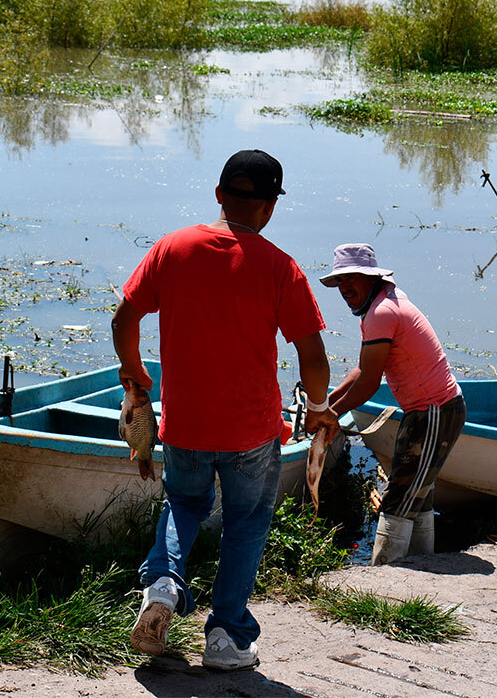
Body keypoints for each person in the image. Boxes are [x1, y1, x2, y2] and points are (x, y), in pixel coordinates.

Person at [112, 149, 339, 671]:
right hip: (252, 432)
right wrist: (321, 407)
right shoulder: (282, 268)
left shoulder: (172, 248)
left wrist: (136, 378)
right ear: (270, 208)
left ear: (219, 194)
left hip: (186, 425)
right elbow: (313, 356)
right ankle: (226, 639)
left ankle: (164, 583)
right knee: (246, 524)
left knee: (184, 506)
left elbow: (124, 321)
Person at [320, 243, 465, 565]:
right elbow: (362, 368)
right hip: (426, 413)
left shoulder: (383, 311)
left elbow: (370, 383)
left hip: (435, 411)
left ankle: (384, 573)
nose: (344, 287)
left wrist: (332, 416)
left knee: (399, 498)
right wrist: (325, 404)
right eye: (340, 281)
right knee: (418, 494)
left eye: (352, 278)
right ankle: (419, 565)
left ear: (371, 278)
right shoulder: (380, 307)